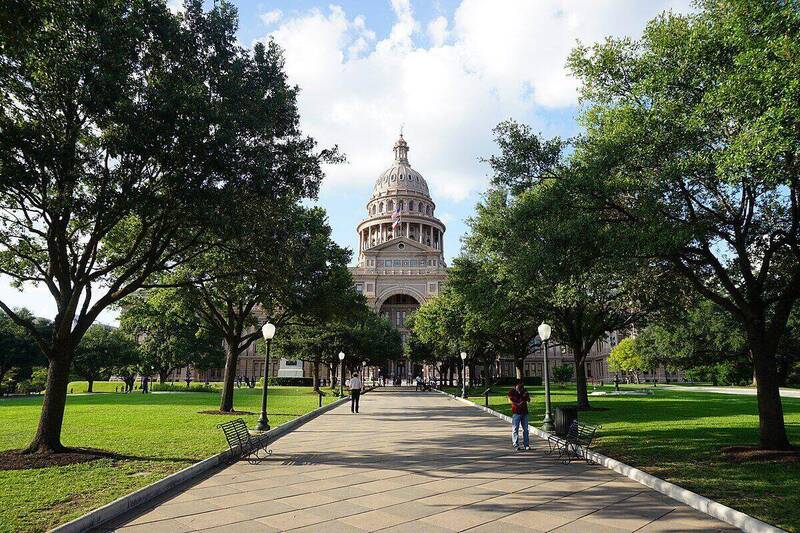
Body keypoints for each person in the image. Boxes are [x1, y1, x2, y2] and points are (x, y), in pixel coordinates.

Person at [508, 380, 530, 450]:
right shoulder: (512, 391)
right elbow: (510, 400)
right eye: (520, 385)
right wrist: (517, 404)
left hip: (524, 412)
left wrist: (525, 396)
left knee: (525, 429)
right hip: (516, 412)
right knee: (515, 429)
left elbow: (528, 399)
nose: (521, 386)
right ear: (516, 385)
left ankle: (526, 444)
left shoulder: (524, 390)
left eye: (522, 385)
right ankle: (515, 444)